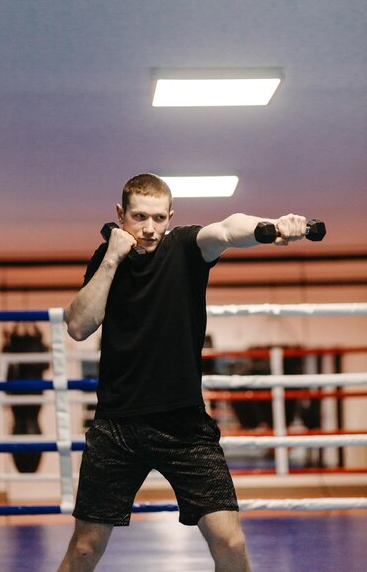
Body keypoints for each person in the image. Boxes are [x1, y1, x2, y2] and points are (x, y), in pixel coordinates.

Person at [57, 173, 308, 572]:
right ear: (120, 215)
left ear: (171, 216)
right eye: (139, 217)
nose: (150, 228)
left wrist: (271, 228)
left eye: (159, 217)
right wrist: (111, 258)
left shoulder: (186, 248)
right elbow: (78, 325)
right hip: (117, 427)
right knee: (85, 549)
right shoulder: (106, 261)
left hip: (185, 426)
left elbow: (228, 228)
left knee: (230, 539)